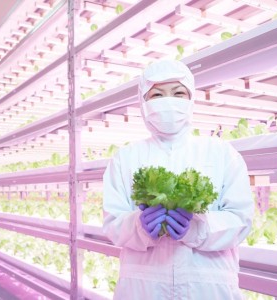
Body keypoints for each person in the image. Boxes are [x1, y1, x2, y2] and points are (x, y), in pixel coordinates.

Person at [102, 59, 254, 299]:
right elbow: (112, 223)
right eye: (157, 94)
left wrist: (197, 227)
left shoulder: (221, 153)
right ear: (143, 102)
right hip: (143, 289)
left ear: (191, 99)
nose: (168, 101)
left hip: (208, 288)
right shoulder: (126, 157)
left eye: (178, 93)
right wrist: (139, 226)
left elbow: (241, 220)